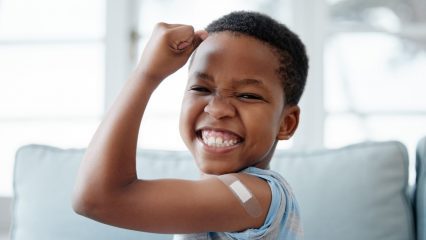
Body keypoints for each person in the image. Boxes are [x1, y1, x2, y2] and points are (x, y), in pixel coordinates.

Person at [73, 11, 308, 240]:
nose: (216, 109)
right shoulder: (228, 198)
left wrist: (147, 74)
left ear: (286, 123)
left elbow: (97, 199)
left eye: (247, 95)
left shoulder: (253, 196)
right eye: (201, 89)